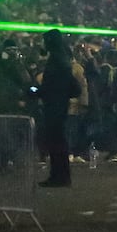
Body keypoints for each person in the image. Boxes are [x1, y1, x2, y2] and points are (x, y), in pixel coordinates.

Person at [34, 29, 78, 187]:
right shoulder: (62, 59)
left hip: (54, 107)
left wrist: (33, 90)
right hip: (59, 105)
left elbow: (49, 87)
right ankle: (60, 176)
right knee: (58, 142)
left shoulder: (57, 61)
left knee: (55, 142)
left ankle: (58, 176)